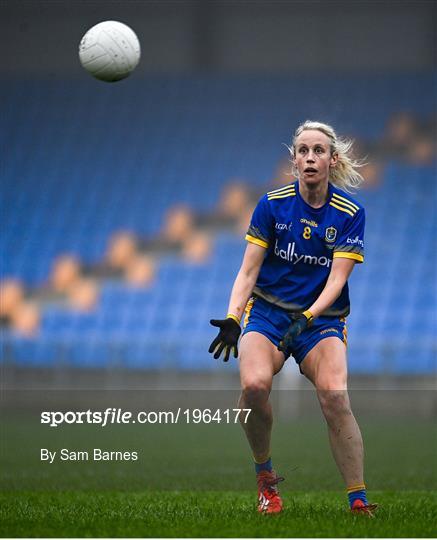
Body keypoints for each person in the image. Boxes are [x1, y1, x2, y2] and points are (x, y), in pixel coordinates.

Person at [209, 120, 377, 516]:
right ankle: (266, 481)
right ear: (294, 160)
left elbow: (337, 280)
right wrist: (234, 317)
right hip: (267, 314)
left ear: (332, 160)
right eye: (303, 150)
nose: (310, 158)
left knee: (335, 396)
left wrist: (308, 315)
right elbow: (248, 271)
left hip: (321, 321)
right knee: (252, 388)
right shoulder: (271, 205)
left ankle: (358, 500)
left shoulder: (350, 213)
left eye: (318, 150)